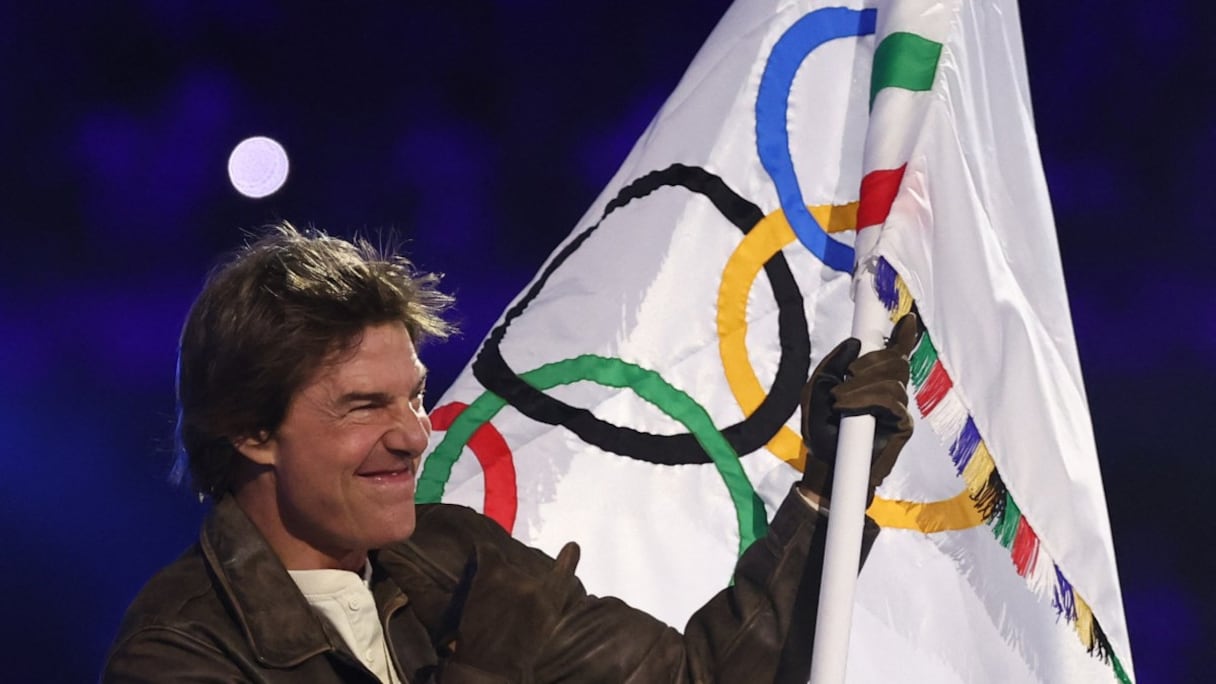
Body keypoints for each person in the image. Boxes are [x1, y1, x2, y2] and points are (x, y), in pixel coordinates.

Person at [103, 223, 916, 683]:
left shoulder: (454, 554)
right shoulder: (176, 653)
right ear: (249, 431)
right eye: (363, 406)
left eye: (415, 396)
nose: (414, 434)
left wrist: (825, 491)